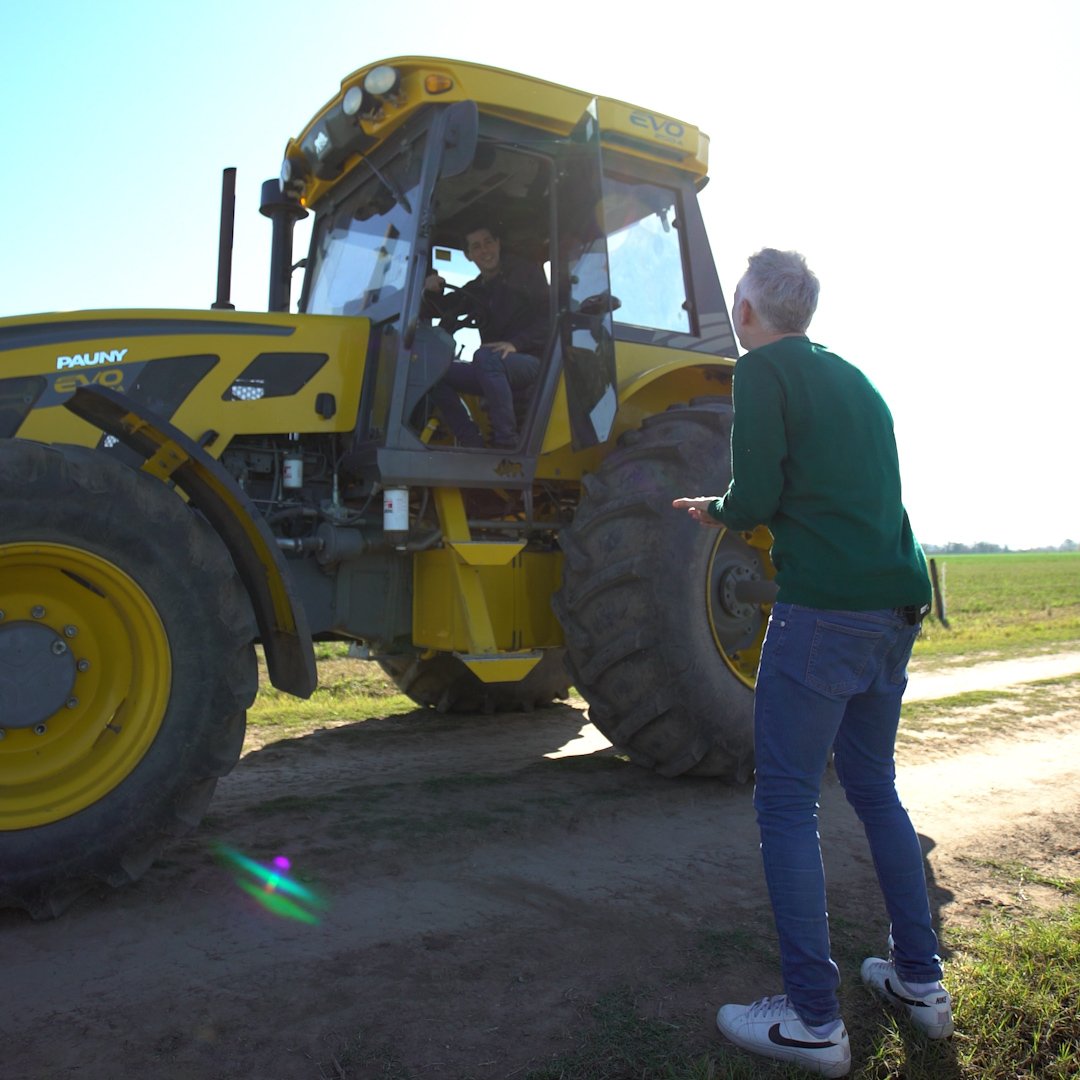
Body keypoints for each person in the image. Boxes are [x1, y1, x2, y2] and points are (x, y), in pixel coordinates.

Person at [673, 249, 950, 1078]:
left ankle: (812, 1019)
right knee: (872, 787)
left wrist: (711, 507)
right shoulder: (855, 378)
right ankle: (920, 983)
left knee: (788, 801)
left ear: (748, 313)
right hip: (896, 606)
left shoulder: (759, 372)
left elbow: (753, 501)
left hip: (823, 612)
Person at [423, 224, 549, 449]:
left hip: (533, 363)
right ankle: (472, 442)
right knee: (433, 373)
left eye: (489, 242)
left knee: (485, 357)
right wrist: (431, 290)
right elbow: (441, 308)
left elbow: (549, 319)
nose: (485, 250)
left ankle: (507, 443)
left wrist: (516, 344)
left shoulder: (525, 273)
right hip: (493, 366)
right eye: (476, 246)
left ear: (498, 244)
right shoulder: (476, 289)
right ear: (468, 256)